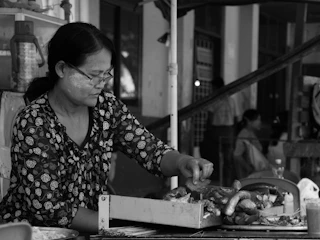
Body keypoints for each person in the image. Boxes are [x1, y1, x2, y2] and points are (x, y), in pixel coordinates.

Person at [0, 22, 213, 233]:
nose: (101, 83)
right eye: (93, 75)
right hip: (33, 233)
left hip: (93, 229)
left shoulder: (107, 108)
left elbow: (151, 151)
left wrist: (183, 162)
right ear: (62, 69)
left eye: (106, 74)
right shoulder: (34, 122)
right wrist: (118, 225)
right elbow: (49, 209)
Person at [200, 77, 237, 186]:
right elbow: (235, 119)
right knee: (227, 160)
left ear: (215, 87)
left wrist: (207, 130)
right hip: (229, 131)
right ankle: (227, 183)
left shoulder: (215, 100)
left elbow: (210, 117)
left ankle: (218, 182)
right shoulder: (231, 100)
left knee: (215, 158)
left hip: (218, 131)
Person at [233, 109, 263, 179]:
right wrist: (249, 169)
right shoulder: (244, 134)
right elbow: (237, 155)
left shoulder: (250, 133)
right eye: (258, 119)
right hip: (248, 176)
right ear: (249, 121)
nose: (260, 122)